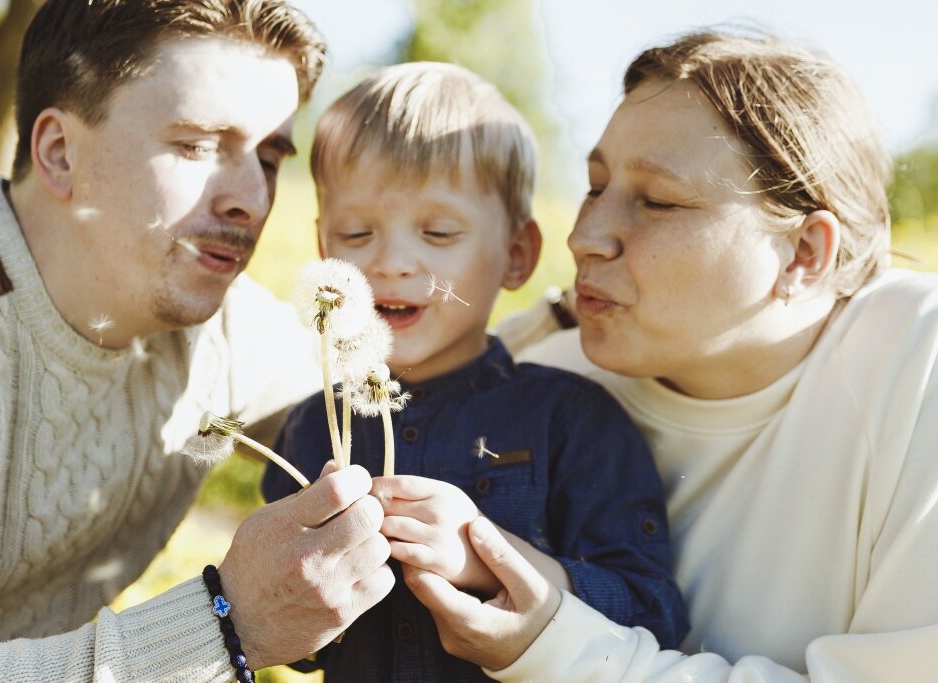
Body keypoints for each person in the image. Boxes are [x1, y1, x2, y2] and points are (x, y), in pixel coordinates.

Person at [398, 30, 938, 682]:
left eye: (657, 201)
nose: (584, 237)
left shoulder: (915, 361)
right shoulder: (547, 378)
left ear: (804, 254)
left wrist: (558, 643)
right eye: (595, 187)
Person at [0, 1, 395, 680]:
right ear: (58, 152)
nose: (251, 200)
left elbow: (423, 391)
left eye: (269, 157)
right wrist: (226, 624)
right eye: (198, 144)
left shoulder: (226, 327)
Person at [262, 62, 689, 682]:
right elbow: (294, 644)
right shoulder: (311, 429)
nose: (392, 262)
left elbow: (652, 614)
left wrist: (490, 561)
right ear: (325, 250)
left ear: (516, 255)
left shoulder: (571, 420)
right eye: (357, 232)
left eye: (438, 232)